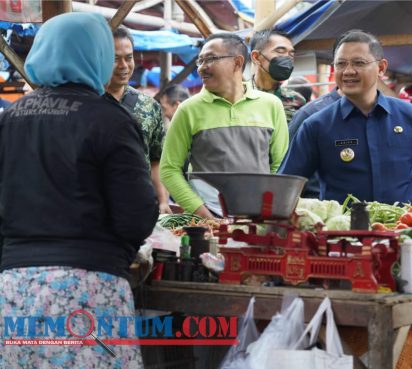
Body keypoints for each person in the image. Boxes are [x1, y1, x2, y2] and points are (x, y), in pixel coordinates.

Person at [0, 13, 158, 367]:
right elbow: (136, 215)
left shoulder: (8, 119)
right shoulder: (111, 120)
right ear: (98, 55)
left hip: (14, 290)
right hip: (88, 289)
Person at [279, 30, 412, 205]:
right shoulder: (316, 124)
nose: (348, 71)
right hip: (342, 231)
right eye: (340, 64)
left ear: (381, 68)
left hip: (405, 230)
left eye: (358, 63)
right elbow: (285, 188)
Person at [159, 33, 289, 219]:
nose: (202, 68)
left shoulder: (271, 105)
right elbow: (169, 169)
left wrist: (267, 211)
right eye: (200, 61)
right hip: (207, 218)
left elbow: (281, 165)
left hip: (257, 217)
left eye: (210, 59)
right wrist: (203, 214)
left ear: (237, 62)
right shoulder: (188, 110)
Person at [105, 25, 171, 214]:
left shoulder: (149, 106)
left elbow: (156, 160)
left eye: (129, 57)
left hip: (139, 206)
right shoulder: (87, 101)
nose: (124, 66)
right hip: (94, 205)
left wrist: (163, 201)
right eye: (115, 59)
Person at [249, 28, 306, 123]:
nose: (288, 58)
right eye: (280, 51)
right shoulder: (237, 96)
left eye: (291, 53)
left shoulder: (297, 100)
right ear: (256, 57)